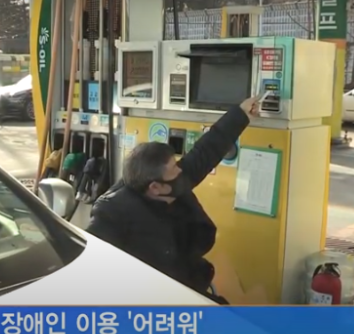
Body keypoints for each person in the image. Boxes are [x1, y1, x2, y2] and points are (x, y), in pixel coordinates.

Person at [86, 96, 261, 302]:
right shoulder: (111, 214)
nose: (181, 171)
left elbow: (206, 151)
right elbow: (91, 270)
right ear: (155, 187)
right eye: (174, 169)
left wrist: (241, 114)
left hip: (188, 284)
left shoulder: (170, 183)